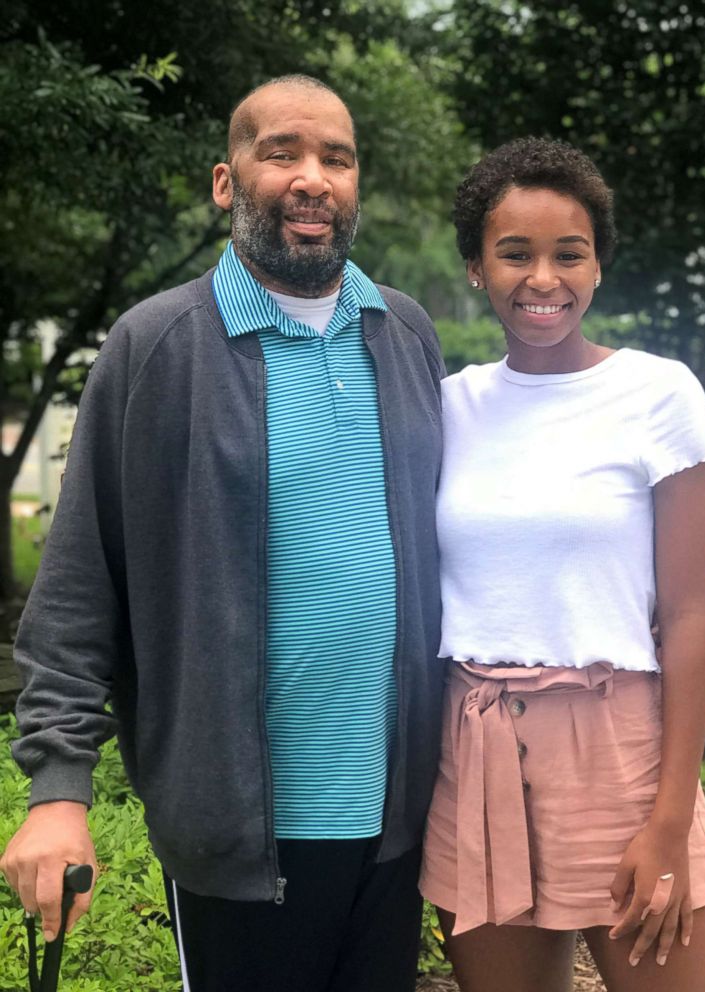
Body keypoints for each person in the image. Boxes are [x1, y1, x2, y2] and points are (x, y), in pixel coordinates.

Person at [0, 74, 445, 992]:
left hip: (398, 825)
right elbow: (80, 587)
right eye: (282, 152)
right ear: (225, 180)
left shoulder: (403, 333)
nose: (312, 177)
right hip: (239, 839)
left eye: (337, 157)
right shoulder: (158, 345)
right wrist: (57, 794)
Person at [418, 137, 705, 992]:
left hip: (621, 754)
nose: (542, 278)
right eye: (514, 253)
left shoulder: (657, 395)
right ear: (478, 268)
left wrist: (668, 822)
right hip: (476, 750)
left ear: (597, 267)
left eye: (569, 253)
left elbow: (690, 616)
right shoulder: (448, 406)